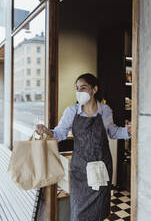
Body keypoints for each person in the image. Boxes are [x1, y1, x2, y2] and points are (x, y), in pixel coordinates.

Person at [35, 73, 131, 221]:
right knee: (79, 213)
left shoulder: (105, 111)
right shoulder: (71, 111)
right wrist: (47, 131)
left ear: (94, 90)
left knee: (99, 211)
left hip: (101, 168)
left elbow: (113, 132)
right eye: (77, 88)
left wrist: (129, 131)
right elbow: (59, 133)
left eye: (83, 88)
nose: (79, 92)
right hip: (80, 170)